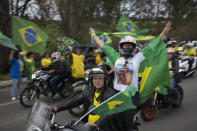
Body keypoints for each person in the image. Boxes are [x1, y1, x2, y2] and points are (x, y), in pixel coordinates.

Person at [89, 21, 172, 131]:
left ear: (134, 47)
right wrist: (94, 35)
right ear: (121, 47)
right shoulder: (115, 57)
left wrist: (164, 32)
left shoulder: (138, 57)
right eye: (125, 45)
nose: (127, 47)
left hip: (131, 98)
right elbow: (103, 45)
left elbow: (152, 45)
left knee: (126, 123)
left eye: (130, 45)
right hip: (116, 95)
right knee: (108, 120)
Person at [52, 67, 120, 131]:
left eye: (100, 78)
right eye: (95, 78)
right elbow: (75, 101)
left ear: (104, 80)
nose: (97, 81)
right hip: (86, 125)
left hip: (102, 127)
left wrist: (96, 124)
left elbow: (109, 113)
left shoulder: (111, 93)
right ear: (92, 80)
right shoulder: (88, 90)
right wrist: (58, 107)